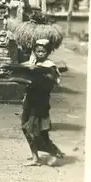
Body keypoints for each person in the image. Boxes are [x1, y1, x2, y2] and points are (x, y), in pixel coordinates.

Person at [10, 38, 64, 167]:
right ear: (34, 51)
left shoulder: (49, 65)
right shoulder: (31, 63)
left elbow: (53, 81)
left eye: (43, 52)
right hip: (30, 99)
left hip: (41, 101)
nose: (40, 54)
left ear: (47, 52)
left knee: (38, 130)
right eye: (38, 51)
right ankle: (35, 157)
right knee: (25, 127)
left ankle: (54, 152)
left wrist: (43, 76)